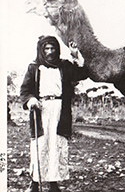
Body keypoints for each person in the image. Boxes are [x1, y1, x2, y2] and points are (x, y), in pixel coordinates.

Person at [20, 36, 88, 192]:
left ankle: (53, 183)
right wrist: (31, 100)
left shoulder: (64, 66)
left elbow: (82, 73)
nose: (50, 52)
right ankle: (35, 183)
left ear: (57, 50)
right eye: (46, 49)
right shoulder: (34, 68)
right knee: (40, 145)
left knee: (56, 145)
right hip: (40, 109)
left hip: (60, 110)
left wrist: (75, 54)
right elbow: (25, 90)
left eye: (52, 49)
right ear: (41, 50)